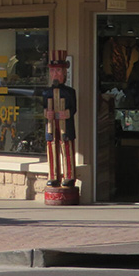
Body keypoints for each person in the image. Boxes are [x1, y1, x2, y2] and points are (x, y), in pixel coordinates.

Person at [43, 55, 77, 188]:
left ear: (64, 73)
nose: (55, 74)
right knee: (52, 148)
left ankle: (69, 176)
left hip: (65, 125)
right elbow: (43, 108)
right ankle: (53, 175)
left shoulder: (70, 92)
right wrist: (47, 113)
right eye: (52, 71)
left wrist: (66, 113)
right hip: (51, 126)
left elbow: (73, 108)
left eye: (58, 71)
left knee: (66, 147)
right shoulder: (46, 92)